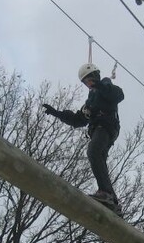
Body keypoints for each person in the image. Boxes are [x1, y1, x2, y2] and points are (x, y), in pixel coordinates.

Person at [42, 63, 124, 210]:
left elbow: (118, 95)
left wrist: (100, 85)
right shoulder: (90, 102)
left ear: (96, 77)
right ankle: (112, 201)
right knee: (99, 160)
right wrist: (58, 113)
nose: (89, 84)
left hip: (106, 127)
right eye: (86, 82)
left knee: (93, 151)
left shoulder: (105, 86)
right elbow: (78, 120)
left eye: (90, 80)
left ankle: (106, 193)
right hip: (98, 130)